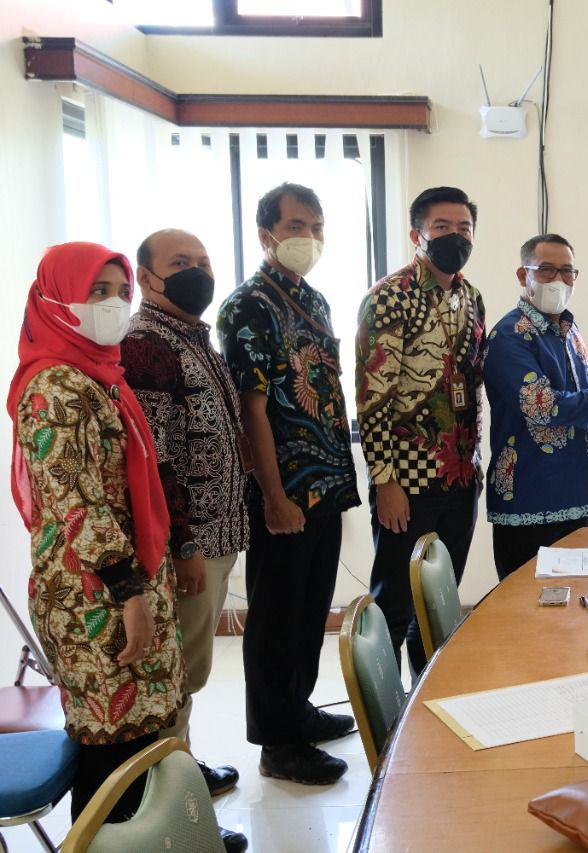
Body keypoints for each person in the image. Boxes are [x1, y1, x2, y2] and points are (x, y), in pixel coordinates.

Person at [7, 243, 188, 823]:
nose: (114, 304)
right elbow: (76, 504)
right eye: (97, 291)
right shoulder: (54, 387)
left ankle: (150, 837)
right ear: (56, 299)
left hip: (125, 581)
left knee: (139, 740)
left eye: (121, 292)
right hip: (95, 595)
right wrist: (130, 593)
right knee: (112, 749)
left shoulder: (100, 376)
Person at [218, 183, 361, 785]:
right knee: (277, 617)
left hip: (324, 482)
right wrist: (274, 497)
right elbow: (251, 411)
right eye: (297, 225)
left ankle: (298, 710)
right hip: (283, 491)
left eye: (317, 226)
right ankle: (277, 743)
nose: (309, 237)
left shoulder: (313, 300)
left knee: (309, 611)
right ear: (266, 234)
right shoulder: (248, 306)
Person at [119, 229, 249, 799]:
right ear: (147, 278)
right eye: (180, 263)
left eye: (203, 261)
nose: (197, 271)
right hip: (189, 543)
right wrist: (185, 545)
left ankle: (182, 771)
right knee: (177, 673)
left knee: (188, 669)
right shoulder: (146, 343)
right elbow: (158, 458)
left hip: (218, 531)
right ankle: (175, 800)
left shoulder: (192, 336)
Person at [356, 187, 485, 676]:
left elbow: (473, 381)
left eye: (464, 228)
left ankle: (426, 697)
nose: (455, 236)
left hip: (461, 476)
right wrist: (384, 481)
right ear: (418, 235)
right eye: (442, 227)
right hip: (407, 480)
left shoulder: (471, 297)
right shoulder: (389, 296)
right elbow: (373, 397)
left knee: (439, 603)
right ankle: (386, 711)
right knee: (395, 604)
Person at [484, 234, 588, 579]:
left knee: (577, 595)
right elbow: (541, 404)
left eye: (567, 271)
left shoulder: (566, 328)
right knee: (526, 602)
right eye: (546, 270)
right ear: (523, 275)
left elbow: (575, 381)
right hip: (529, 497)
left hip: (573, 491)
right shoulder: (509, 336)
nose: (558, 280)